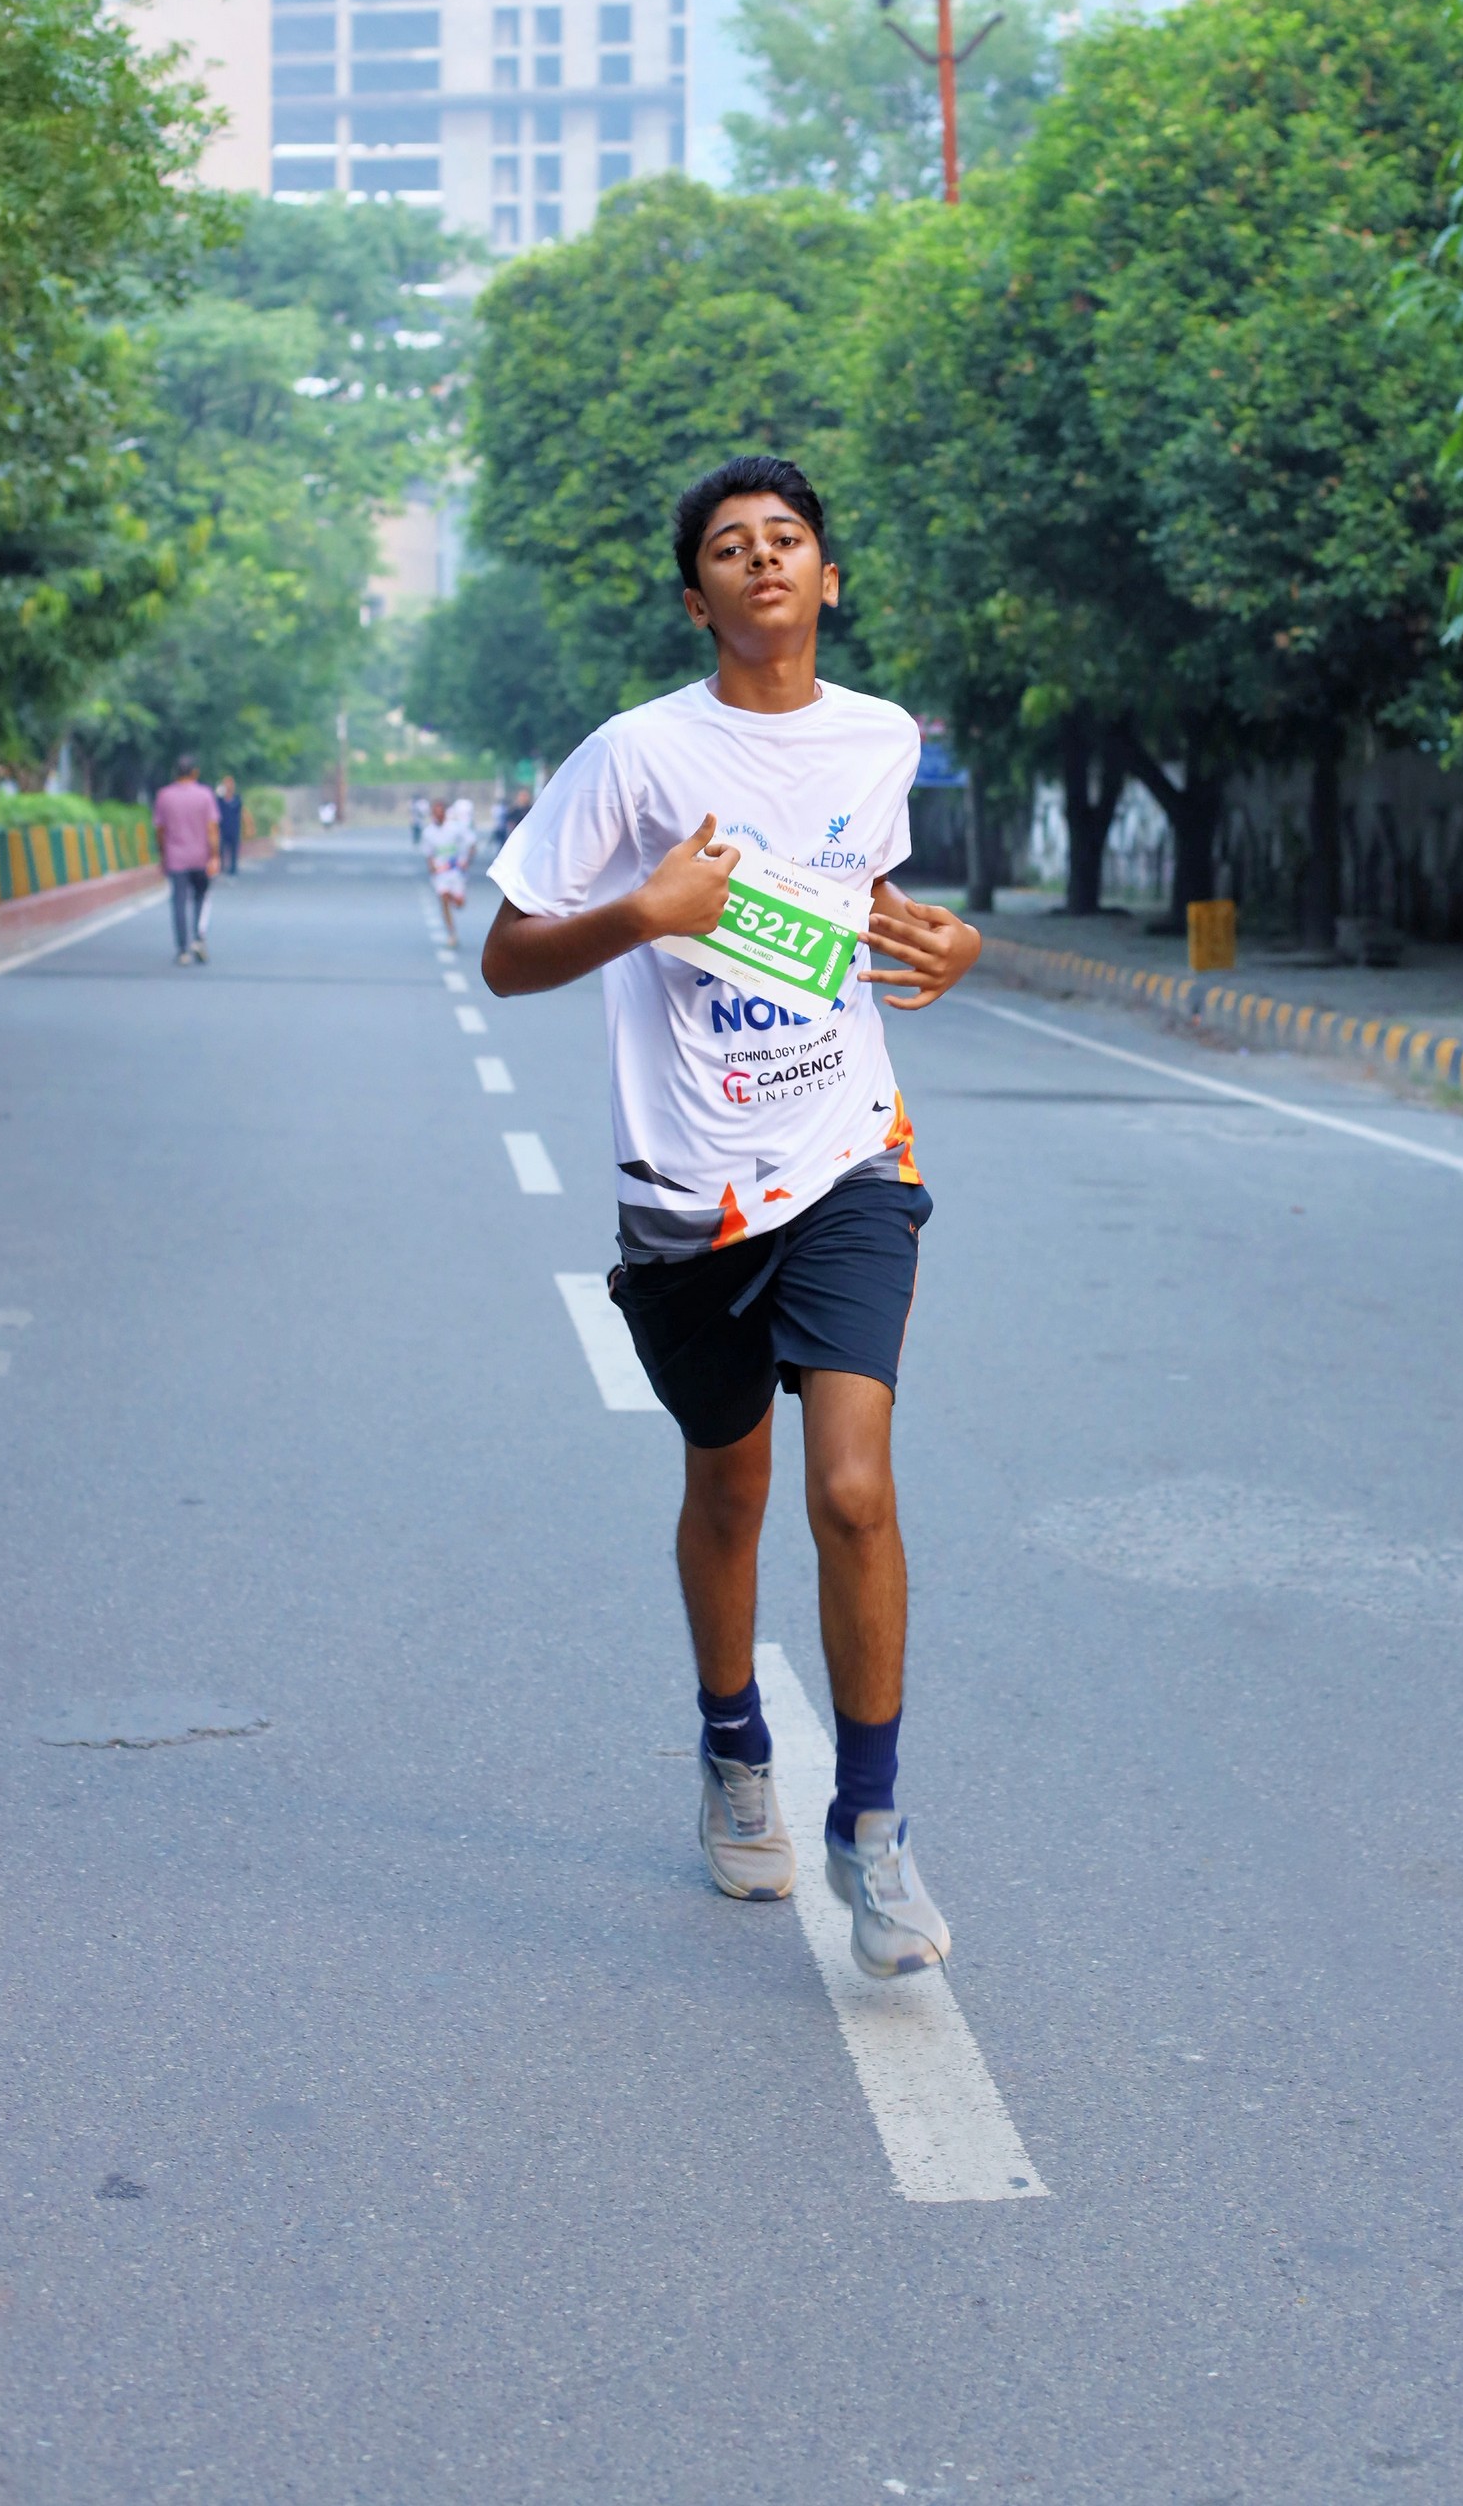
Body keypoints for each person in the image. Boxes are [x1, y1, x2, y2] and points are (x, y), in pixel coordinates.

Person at [484, 455, 981, 1979]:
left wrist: (951, 946)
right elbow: (507, 952)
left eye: (787, 538)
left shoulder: (881, 737)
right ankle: (734, 1745)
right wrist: (642, 913)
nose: (762, 559)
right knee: (730, 1489)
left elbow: (865, 910)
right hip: (687, 1197)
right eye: (728, 547)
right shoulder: (636, 756)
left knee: (854, 1488)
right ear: (697, 597)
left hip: (847, 1157)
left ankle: (874, 1830)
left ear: (829, 577)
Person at [153, 753, 220, 965]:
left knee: (179, 902)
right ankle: (198, 938)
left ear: (176, 773)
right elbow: (212, 829)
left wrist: (163, 854)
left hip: (175, 858)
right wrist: (214, 856)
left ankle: (182, 950)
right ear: (195, 773)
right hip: (200, 857)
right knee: (201, 896)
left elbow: (160, 830)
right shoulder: (205, 795)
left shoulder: (164, 796)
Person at [424, 796, 471, 944]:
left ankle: (454, 898)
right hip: (440, 873)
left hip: (456, 871)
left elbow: (471, 844)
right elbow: (429, 854)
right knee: (443, 897)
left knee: (459, 903)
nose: (438, 815)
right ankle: (451, 933)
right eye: (435, 812)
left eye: (440, 812)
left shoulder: (455, 828)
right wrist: (432, 867)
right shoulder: (428, 832)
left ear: (445, 812)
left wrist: (466, 861)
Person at [215, 774, 243, 880]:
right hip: (223, 828)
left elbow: (241, 813)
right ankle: (222, 868)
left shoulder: (237, 799)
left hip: (234, 828)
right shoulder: (220, 800)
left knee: (234, 850)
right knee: (221, 849)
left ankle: (233, 869)